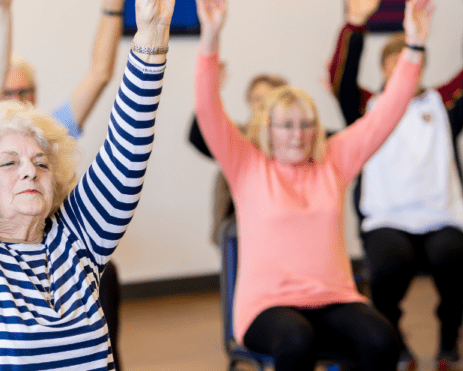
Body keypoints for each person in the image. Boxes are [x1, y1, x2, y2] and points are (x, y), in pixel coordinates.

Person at [195, 0, 434, 370]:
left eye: (307, 124)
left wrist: (415, 46)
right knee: (296, 340)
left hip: (333, 298)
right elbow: (208, 109)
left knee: (383, 339)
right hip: (267, 305)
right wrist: (210, 38)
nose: (298, 135)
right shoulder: (248, 166)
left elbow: (387, 112)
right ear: (267, 130)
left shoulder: (333, 162)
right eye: (287, 125)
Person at [0, 0, 174, 368]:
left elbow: (126, 149)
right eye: (9, 163)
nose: (30, 171)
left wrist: (152, 36)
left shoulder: (76, 241)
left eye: (41, 162)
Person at [329, 0, 463, 370]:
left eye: (413, 57)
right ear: (385, 69)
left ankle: (449, 341)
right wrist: (354, 25)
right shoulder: (367, 109)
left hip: (441, 217)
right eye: (396, 59)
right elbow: (340, 80)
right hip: (387, 219)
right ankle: (395, 340)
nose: (406, 65)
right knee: (388, 266)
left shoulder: (442, 104)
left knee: (454, 259)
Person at [188, 67, 287, 245]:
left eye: (268, 99)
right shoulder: (236, 137)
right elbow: (197, 137)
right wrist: (210, 90)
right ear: (248, 102)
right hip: (237, 233)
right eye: (257, 99)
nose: (262, 104)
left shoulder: (293, 142)